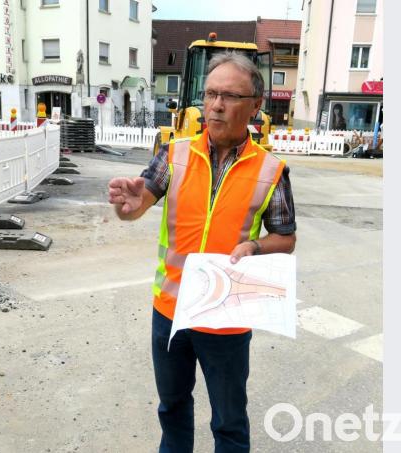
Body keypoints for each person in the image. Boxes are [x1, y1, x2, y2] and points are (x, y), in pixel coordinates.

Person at [107, 51, 296, 452]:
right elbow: (138, 203)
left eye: (229, 95)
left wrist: (256, 246)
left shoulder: (271, 170)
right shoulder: (175, 153)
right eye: (210, 93)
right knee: (172, 409)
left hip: (226, 319)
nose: (215, 105)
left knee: (229, 421)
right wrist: (128, 206)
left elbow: (286, 238)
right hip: (170, 313)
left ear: (256, 107)